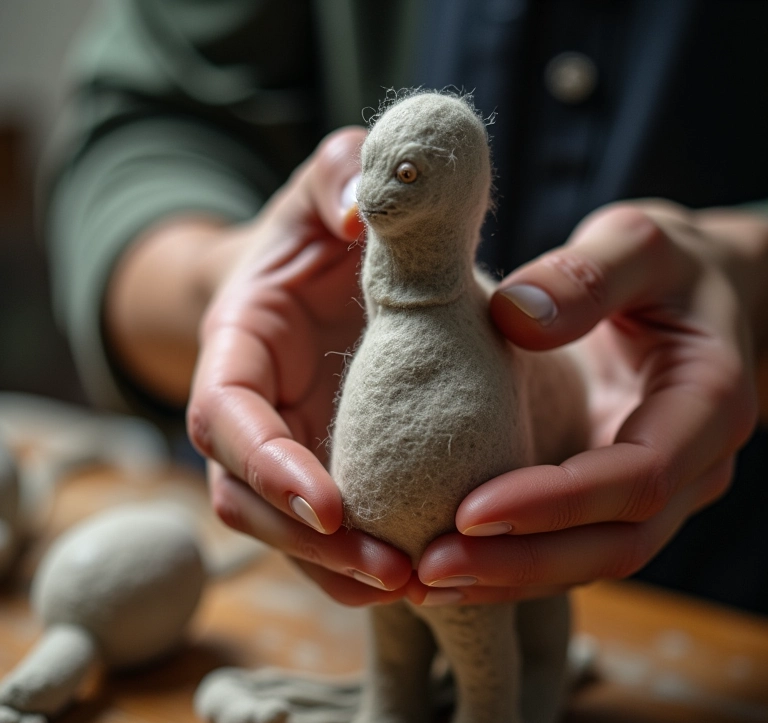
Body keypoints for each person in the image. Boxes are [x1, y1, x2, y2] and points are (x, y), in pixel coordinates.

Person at [46, 1, 768, 612]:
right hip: (308, 568)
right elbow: (153, 120)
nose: (376, 201)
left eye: (407, 176)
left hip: (729, 585)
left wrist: (752, 276)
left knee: (491, 618)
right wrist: (217, 282)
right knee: (396, 596)